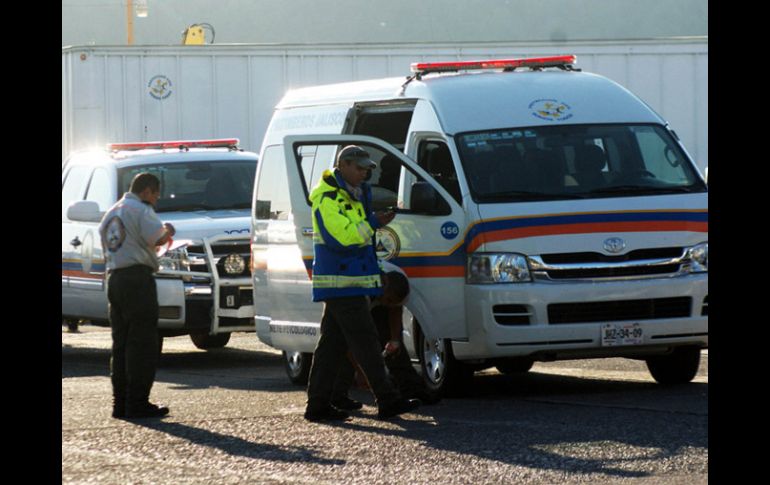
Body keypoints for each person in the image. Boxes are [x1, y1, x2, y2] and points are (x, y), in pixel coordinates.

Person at [304, 145, 420, 421]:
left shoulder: (354, 194)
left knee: (331, 346)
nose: (364, 174)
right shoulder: (328, 198)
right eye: (359, 168)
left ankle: (318, 406)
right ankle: (388, 399)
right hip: (342, 284)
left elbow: (358, 237)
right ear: (342, 165)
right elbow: (343, 238)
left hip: (348, 282)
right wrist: (373, 222)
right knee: (365, 342)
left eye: (367, 169)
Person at [99, 172, 176, 419]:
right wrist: (168, 229)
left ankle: (120, 403)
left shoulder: (111, 213)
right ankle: (138, 402)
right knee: (142, 344)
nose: (156, 199)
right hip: (137, 280)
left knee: (120, 345)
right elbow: (158, 237)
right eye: (155, 194)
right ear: (146, 191)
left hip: (115, 279)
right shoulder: (140, 210)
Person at [330, 268, 441, 410]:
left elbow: (394, 309)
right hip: (345, 299)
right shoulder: (362, 293)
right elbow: (349, 339)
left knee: (394, 347)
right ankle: (337, 395)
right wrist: (360, 372)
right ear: (384, 285)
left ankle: (411, 389)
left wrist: (395, 340)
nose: (388, 304)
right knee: (345, 346)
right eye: (388, 300)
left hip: (376, 292)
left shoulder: (394, 285)